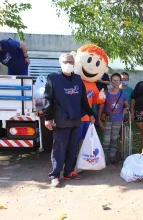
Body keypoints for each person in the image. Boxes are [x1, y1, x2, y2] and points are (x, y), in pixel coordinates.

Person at [43, 53, 95, 187]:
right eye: (66, 61)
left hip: (75, 118)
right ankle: (55, 175)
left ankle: (69, 171)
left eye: (71, 62)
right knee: (59, 148)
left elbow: (84, 99)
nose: (69, 64)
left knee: (73, 147)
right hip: (61, 119)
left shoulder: (78, 79)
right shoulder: (53, 78)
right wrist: (47, 118)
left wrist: (90, 113)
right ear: (60, 63)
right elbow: (48, 98)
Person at [98, 73, 128, 164]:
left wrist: (126, 109)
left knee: (114, 138)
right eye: (113, 80)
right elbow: (101, 106)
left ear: (120, 82)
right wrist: (99, 119)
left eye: (117, 80)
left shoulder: (123, 93)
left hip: (118, 118)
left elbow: (127, 105)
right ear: (110, 81)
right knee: (106, 138)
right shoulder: (105, 92)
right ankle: (104, 157)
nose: (115, 82)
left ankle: (112, 156)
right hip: (107, 117)